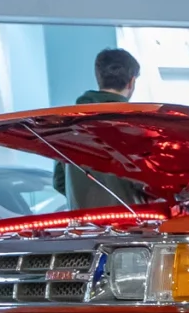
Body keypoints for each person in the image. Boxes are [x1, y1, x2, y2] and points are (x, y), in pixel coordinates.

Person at [53, 47, 147, 209]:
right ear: (131, 82)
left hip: (82, 226)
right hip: (130, 224)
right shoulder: (135, 124)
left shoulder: (67, 123)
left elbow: (59, 182)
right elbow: (146, 182)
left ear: (99, 78)